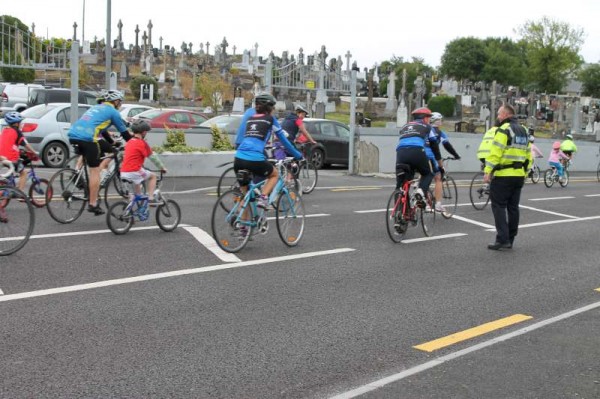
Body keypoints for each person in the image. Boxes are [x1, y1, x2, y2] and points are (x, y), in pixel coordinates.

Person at [67, 90, 132, 215]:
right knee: (95, 170)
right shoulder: (113, 112)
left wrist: (112, 143)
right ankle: (93, 203)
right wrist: (134, 143)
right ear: (116, 101)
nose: (120, 104)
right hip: (88, 138)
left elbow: (102, 130)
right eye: (120, 102)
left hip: (74, 135)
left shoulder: (96, 107)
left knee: (107, 149)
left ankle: (78, 175)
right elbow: (125, 134)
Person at [234, 93, 303, 209]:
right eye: (274, 107)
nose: (275, 110)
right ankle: (264, 197)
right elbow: (284, 141)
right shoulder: (270, 119)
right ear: (270, 108)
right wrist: (298, 154)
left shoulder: (250, 118)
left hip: (238, 158)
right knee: (274, 174)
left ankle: (242, 224)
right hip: (254, 158)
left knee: (247, 197)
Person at [483, 104, 532, 250]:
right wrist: (526, 173)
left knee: (498, 206)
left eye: (499, 114)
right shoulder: (524, 131)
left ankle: (502, 239)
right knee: (513, 208)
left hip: (504, 175)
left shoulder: (503, 130)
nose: (498, 117)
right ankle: (510, 238)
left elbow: (495, 152)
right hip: (518, 176)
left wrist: (488, 171)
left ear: (505, 115)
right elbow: (529, 155)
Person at [395, 107, 440, 206]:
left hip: (400, 153)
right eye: (428, 118)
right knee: (428, 174)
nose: (429, 120)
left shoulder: (404, 127)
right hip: (417, 151)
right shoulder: (427, 126)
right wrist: (439, 161)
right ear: (424, 118)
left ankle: (400, 214)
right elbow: (434, 144)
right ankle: (421, 191)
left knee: (401, 184)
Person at [120, 120, 167, 204]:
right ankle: (151, 198)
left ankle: (136, 207)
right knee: (153, 176)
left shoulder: (129, 142)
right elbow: (153, 158)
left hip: (123, 171)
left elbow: (124, 155)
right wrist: (162, 168)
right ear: (144, 132)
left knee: (138, 187)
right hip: (135, 171)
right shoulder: (142, 143)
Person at [427, 112, 461, 212]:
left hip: (418, 154)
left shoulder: (425, 129)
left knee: (424, 175)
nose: (441, 122)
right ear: (437, 121)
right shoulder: (439, 133)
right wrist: (456, 155)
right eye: (441, 120)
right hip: (431, 156)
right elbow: (447, 145)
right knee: (438, 178)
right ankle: (438, 204)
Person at [0, 111, 39, 192]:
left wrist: (20, 151)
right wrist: (35, 152)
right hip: (11, 158)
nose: (21, 124)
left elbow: (10, 144)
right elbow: (25, 144)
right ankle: (19, 193)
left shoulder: (4, 130)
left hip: (2, 157)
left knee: (14, 171)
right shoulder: (17, 132)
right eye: (20, 122)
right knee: (24, 172)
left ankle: (9, 185)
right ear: (16, 124)